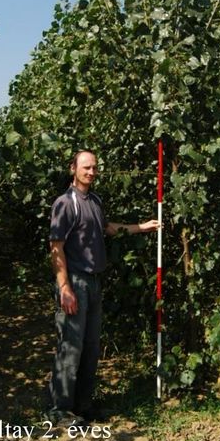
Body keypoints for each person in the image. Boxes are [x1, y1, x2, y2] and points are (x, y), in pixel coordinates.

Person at [48, 149, 160, 424]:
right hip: (75, 283)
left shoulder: (94, 201)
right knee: (70, 348)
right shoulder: (65, 203)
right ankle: (59, 410)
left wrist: (142, 227)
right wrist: (64, 288)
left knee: (91, 347)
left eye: (95, 167)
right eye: (86, 167)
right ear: (73, 168)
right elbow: (56, 248)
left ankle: (83, 406)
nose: (91, 172)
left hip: (95, 283)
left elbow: (107, 228)